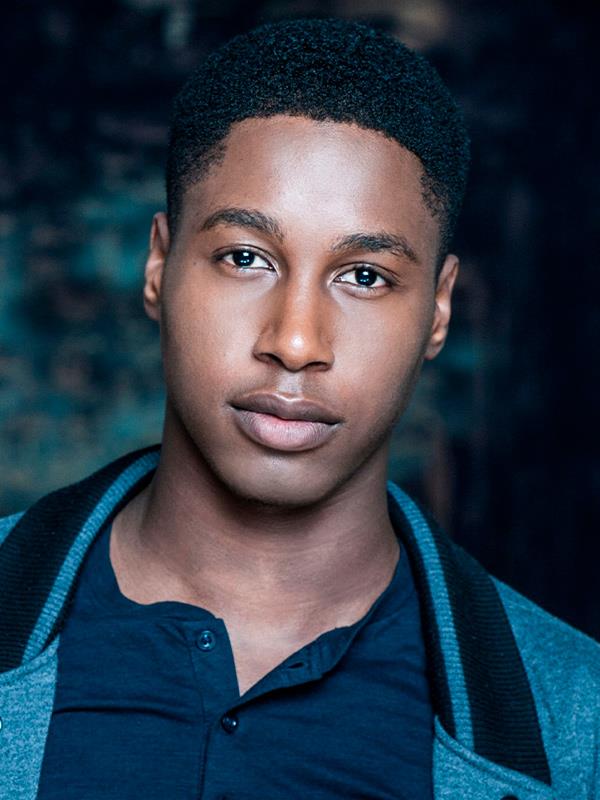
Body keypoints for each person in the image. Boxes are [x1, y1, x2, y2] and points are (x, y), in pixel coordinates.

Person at [0, 17, 597, 800]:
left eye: (365, 276)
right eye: (246, 258)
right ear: (158, 265)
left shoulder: (578, 721)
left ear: (439, 311)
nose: (295, 341)